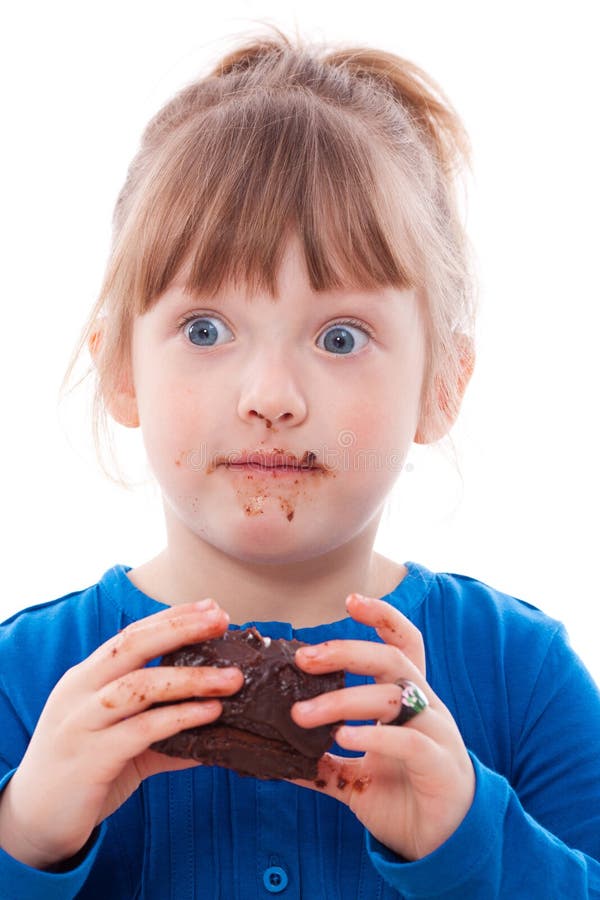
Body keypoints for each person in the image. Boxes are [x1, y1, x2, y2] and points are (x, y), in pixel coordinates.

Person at [0, 25, 599, 900]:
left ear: (443, 384)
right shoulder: (25, 681)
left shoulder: (522, 673)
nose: (271, 394)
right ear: (120, 371)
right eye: (205, 330)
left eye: (340, 336)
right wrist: (25, 835)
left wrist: (470, 839)